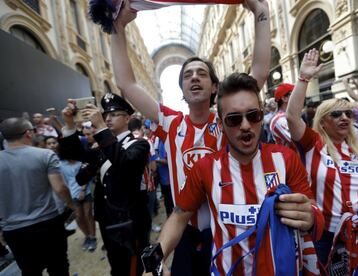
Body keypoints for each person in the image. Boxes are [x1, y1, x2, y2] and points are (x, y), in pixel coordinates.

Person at [111, 0, 270, 274]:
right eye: (187, 75)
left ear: (215, 87)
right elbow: (127, 84)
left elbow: (259, 71)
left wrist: (260, 11)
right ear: (182, 91)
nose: (194, 78)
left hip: (228, 229)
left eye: (201, 73)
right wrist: (117, 27)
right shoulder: (170, 123)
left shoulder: (228, 119)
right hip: (185, 231)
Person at [149, 73, 323, 276]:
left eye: (253, 115)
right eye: (234, 119)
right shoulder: (205, 168)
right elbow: (179, 217)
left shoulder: (286, 159)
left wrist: (309, 216)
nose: (246, 125)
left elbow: (315, 215)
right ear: (221, 125)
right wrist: (153, 260)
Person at [286, 49, 358, 265]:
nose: (344, 118)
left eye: (348, 114)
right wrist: (304, 78)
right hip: (323, 236)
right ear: (323, 121)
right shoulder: (313, 144)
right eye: (336, 114)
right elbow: (292, 117)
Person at [59, 93, 151, 276]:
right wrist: (69, 124)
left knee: (133, 266)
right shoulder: (103, 145)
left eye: (115, 114)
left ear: (127, 118)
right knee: (116, 263)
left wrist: (100, 127)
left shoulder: (139, 144)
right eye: (106, 115)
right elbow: (74, 153)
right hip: (107, 217)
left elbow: (124, 163)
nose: (108, 118)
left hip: (130, 220)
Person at [0, 117, 74, 276]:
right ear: (28, 133)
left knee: (30, 271)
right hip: (47, 223)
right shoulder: (45, 155)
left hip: (14, 229)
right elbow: (60, 188)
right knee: (59, 266)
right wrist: (70, 204)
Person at [269, 83, 296, 150]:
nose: (299, 96)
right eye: (295, 94)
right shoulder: (278, 120)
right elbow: (301, 142)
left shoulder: (294, 116)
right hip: (289, 159)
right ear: (284, 98)